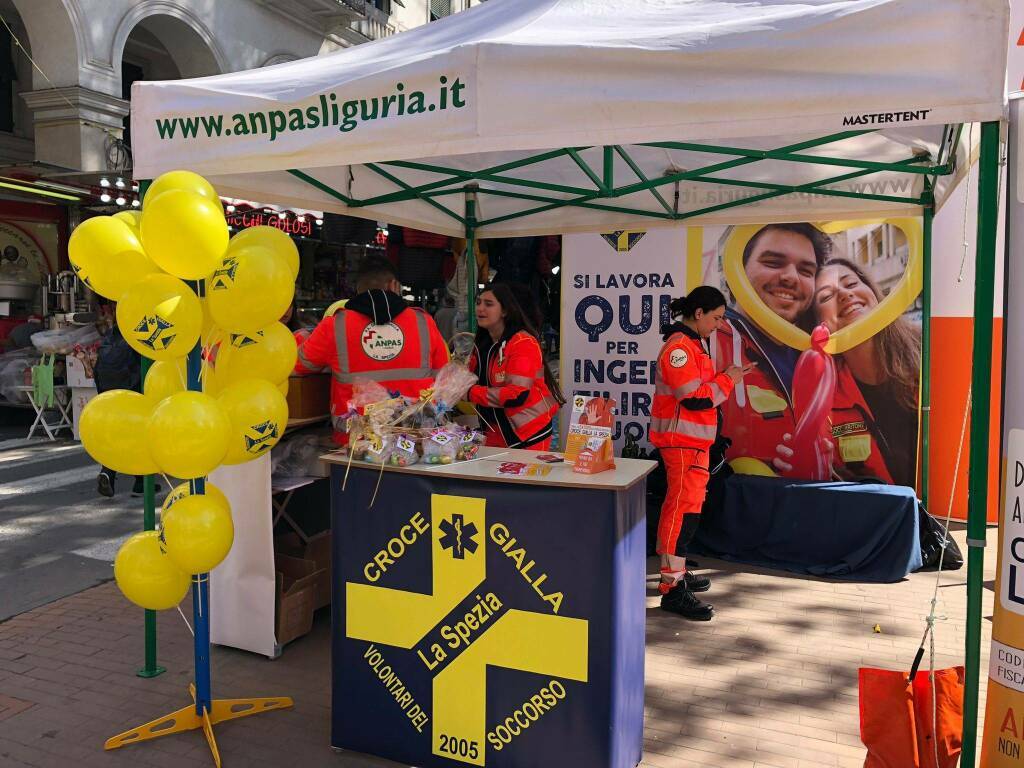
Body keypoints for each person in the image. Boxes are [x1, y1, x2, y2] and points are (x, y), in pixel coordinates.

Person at [652, 286, 750, 620]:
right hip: (682, 445)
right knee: (681, 514)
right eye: (717, 317)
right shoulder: (680, 348)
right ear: (699, 313)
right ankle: (672, 589)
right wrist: (728, 380)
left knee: (685, 513)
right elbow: (693, 398)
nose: (719, 324)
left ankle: (675, 576)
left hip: (691, 445)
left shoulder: (694, 345)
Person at [714, 223, 832, 471]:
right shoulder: (707, 343)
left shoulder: (816, 354)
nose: (791, 277)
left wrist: (824, 466)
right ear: (737, 270)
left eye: (806, 270)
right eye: (773, 262)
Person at [293, 257, 449, 444]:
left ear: (357, 288)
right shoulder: (423, 322)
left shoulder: (335, 325)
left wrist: (300, 338)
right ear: (393, 284)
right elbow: (444, 376)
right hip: (415, 442)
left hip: (356, 444)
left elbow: (298, 365)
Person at [799, 257, 921, 486]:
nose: (845, 295)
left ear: (872, 292)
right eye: (826, 296)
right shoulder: (822, 395)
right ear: (817, 323)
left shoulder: (928, 350)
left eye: (851, 284)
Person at [467, 283, 563, 450]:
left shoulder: (523, 343)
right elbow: (470, 378)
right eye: (478, 302)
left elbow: (516, 395)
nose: (480, 309)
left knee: (522, 477)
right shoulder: (483, 344)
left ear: (505, 311)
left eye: (488, 304)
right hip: (495, 432)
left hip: (529, 435)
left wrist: (468, 392)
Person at [94, 318, 158, 497]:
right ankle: (141, 482)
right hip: (133, 389)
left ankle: (108, 471)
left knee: (116, 432)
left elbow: (99, 367)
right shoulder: (141, 335)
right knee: (139, 432)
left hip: (109, 393)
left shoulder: (112, 335)